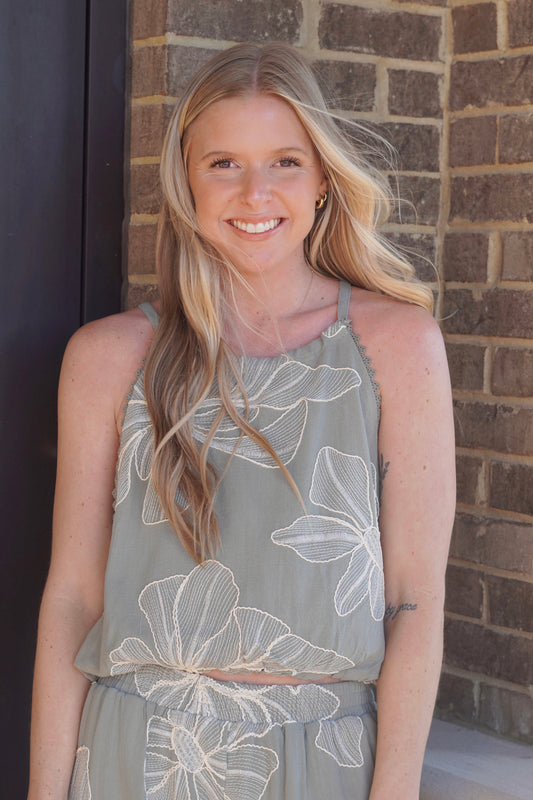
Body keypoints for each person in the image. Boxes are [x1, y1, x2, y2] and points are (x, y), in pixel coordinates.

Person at [28, 42, 455, 800]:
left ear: (322, 178)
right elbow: (73, 599)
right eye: (223, 162)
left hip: (326, 760)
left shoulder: (395, 347)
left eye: (284, 161)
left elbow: (413, 603)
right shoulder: (108, 357)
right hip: (136, 755)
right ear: (186, 182)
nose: (254, 193)